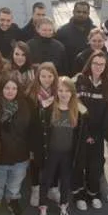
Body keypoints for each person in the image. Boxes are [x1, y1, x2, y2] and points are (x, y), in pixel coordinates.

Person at [35, 76, 87, 215]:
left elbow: (82, 129)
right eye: (60, 90)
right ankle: (43, 204)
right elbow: (42, 130)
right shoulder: (49, 109)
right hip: (51, 152)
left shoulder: (77, 110)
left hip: (68, 154)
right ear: (56, 92)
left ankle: (64, 203)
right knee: (46, 179)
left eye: (67, 91)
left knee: (65, 180)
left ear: (72, 93)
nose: (64, 94)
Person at [0, 75, 36, 215]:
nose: (10, 91)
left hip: (21, 152)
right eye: (7, 88)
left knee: (16, 180)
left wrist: (32, 149)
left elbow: (32, 128)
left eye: (14, 88)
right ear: (1, 89)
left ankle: (13, 199)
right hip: (0, 153)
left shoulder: (26, 104)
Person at [73, 51, 108, 210]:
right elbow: (75, 105)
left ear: (106, 66)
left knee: (95, 165)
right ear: (90, 64)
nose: (98, 67)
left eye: (102, 64)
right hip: (80, 130)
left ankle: (94, 193)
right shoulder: (79, 80)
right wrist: (85, 131)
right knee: (79, 163)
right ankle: (79, 194)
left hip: (97, 134)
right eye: (95, 63)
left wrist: (98, 134)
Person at [28, 62, 60, 207]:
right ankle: (35, 188)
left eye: (50, 76)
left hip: (54, 134)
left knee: (53, 162)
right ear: (38, 77)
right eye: (43, 76)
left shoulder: (59, 93)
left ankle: (53, 187)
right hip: (36, 134)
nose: (47, 79)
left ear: (54, 77)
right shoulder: (31, 94)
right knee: (36, 162)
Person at [56, 1, 95, 72]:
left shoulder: (95, 31)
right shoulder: (62, 32)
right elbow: (58, 55)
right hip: (70, 72)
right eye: (78, 11)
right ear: (73, 12)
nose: (81, 14)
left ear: (89, 13)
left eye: (84, 12)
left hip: (90, 73)